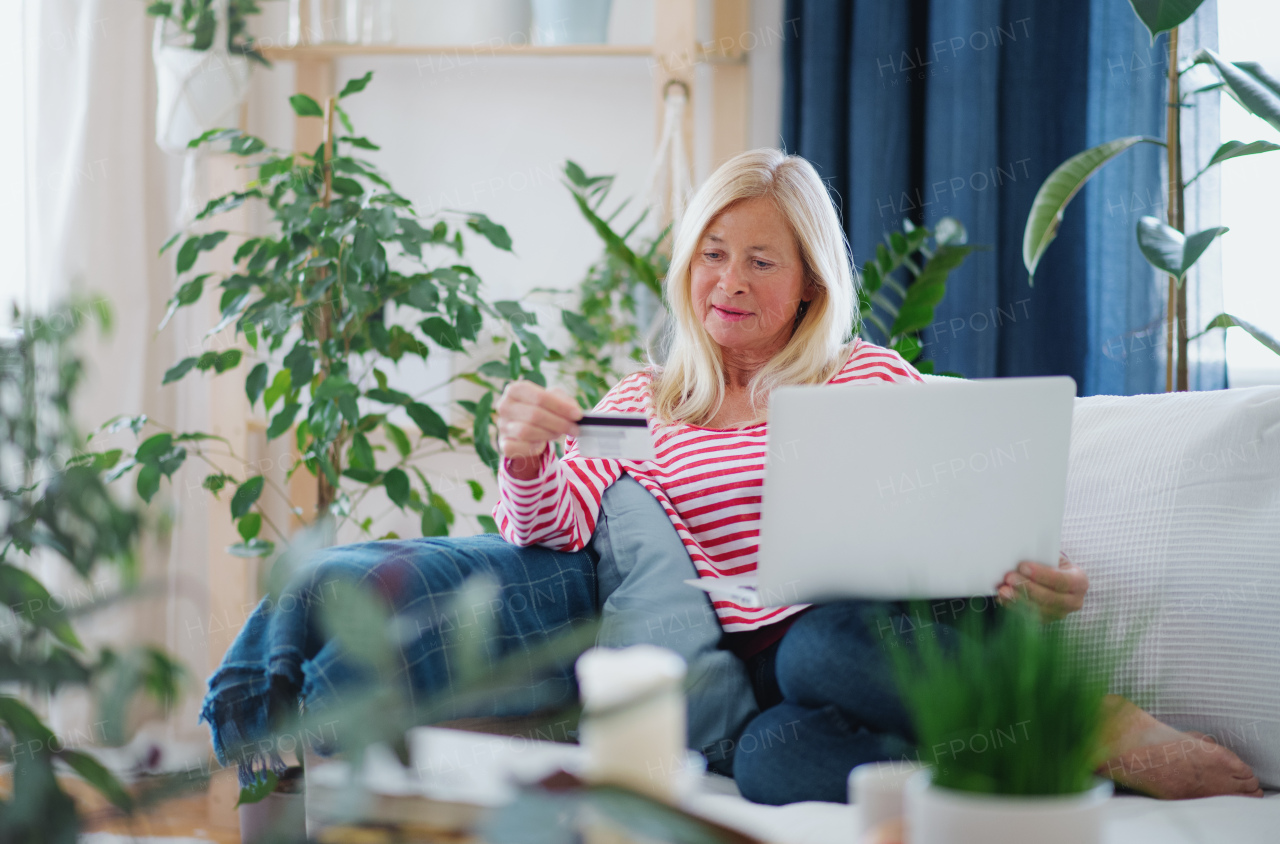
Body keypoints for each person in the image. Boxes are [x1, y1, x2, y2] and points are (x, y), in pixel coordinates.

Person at [493, 148, 1264, 803]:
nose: (729, 281)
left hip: (902, 628)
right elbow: (552, 522)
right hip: (776, 672)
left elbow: (968, 514)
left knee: (816, 647)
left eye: (762, 262)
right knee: (767, 760)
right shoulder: (642, 402)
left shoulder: (861, 376)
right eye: (713, 253)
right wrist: (527, 457)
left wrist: (1039, 576)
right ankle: (1023, 766)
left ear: (809, 288)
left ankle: (1095, 723)